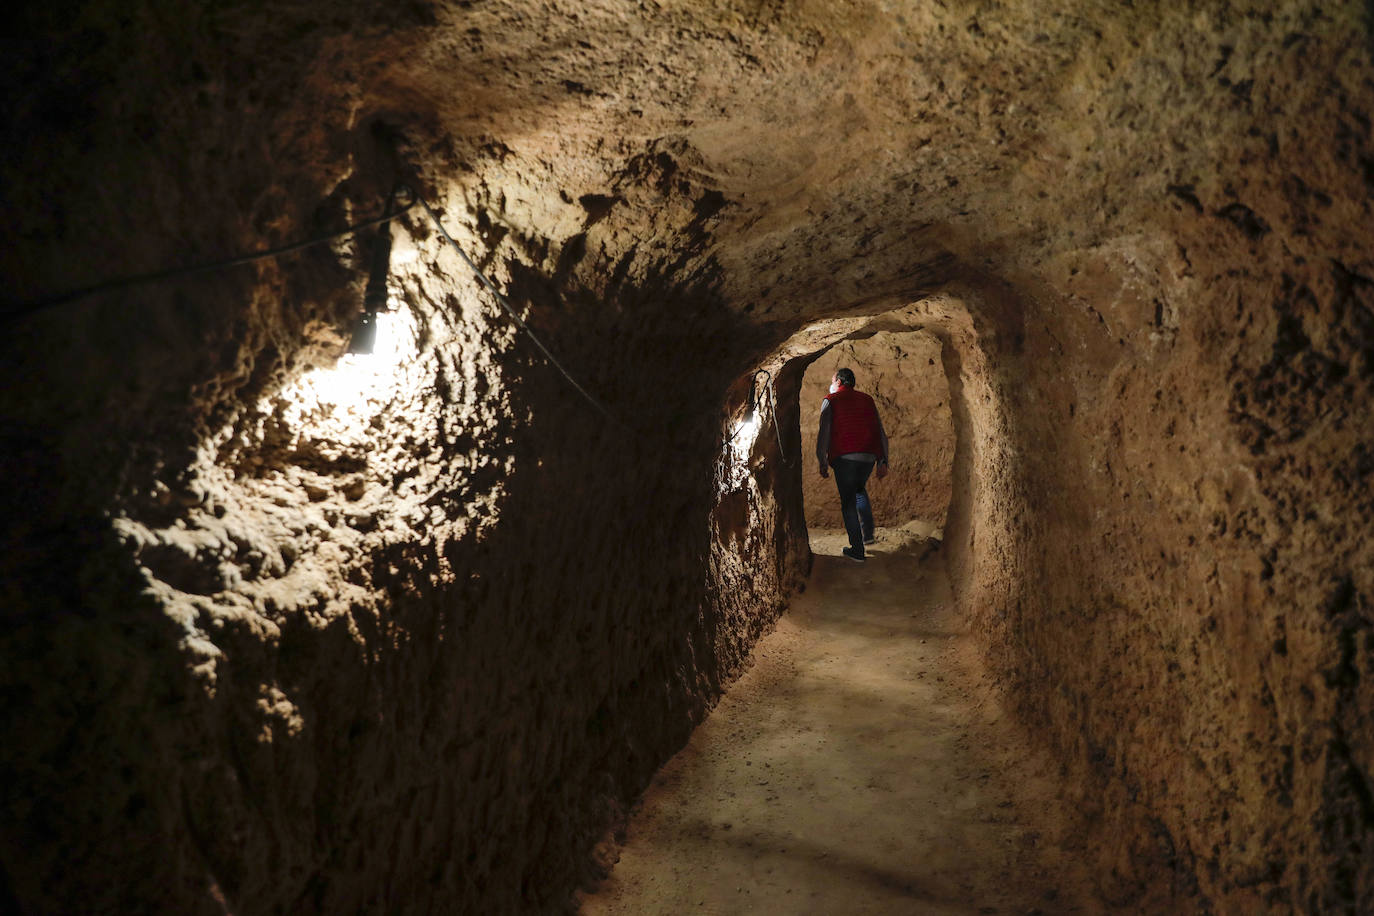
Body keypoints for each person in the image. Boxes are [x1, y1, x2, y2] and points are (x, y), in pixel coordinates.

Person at [816, 367, 889, 563]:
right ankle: (868, 534)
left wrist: (822, 460)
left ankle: (857, 550)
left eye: (833, 381)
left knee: (848, 503)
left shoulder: (830, 400)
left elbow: (824, 431)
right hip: (867, 457)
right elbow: (879, 430)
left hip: (845, 457)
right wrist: (883, 460)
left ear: (839, 382)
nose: (831, 384)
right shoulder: (867, 400)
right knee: (858, 490)